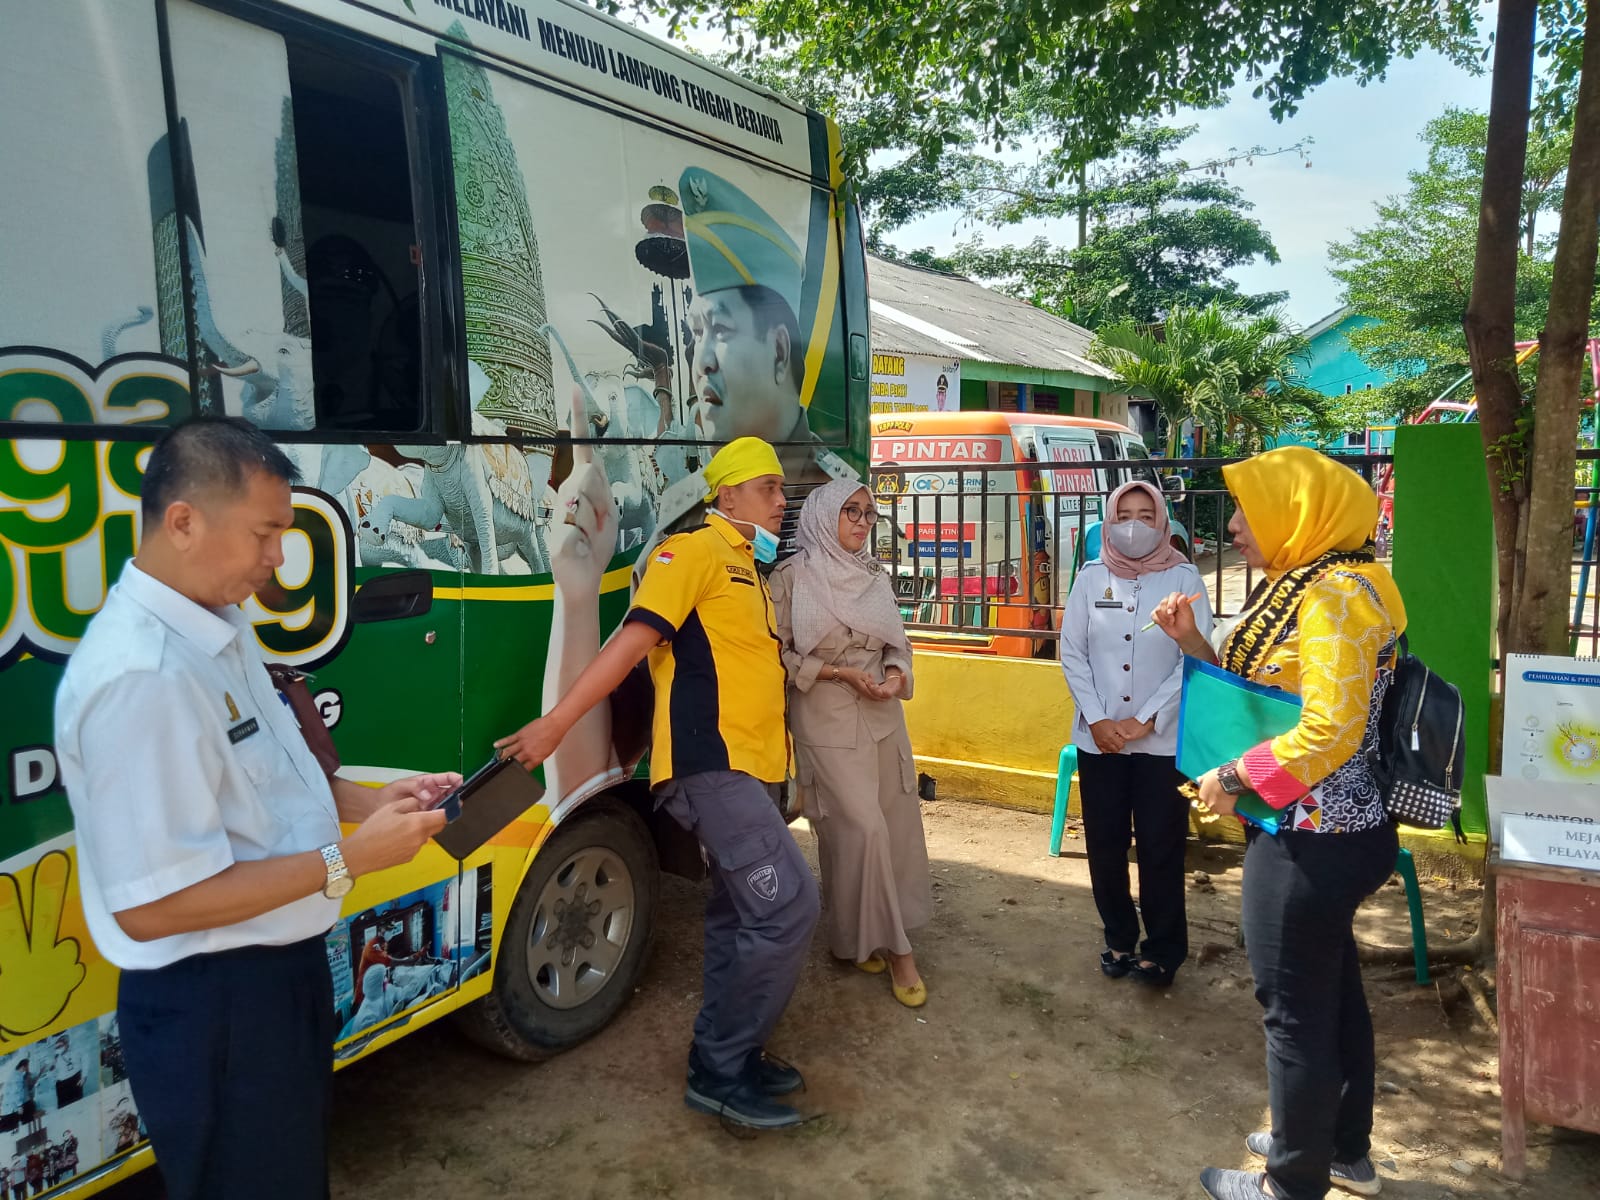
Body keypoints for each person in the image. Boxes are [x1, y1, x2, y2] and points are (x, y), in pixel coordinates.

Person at [54, 416, 459, 1200]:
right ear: (183, 522)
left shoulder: (218, 623)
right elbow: (155, 906)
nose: (279, 559)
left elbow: (270, 781)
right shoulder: (142, 678)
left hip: (275, 980)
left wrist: (374, 801)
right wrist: (351, 859)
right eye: (266, 534)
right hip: (215, 1002)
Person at [497, 437, 821, 1131]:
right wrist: (557, 724)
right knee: (788, 906)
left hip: (756, 769)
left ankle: (728, 1057)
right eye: (767, 488)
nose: (780, 501)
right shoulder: (692, 553)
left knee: (740, 916)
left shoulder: (750, 569)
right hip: (712, 768)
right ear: (726, 495)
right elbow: (631, 643)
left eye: (781, 490)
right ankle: (722, 1067)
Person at [1152, 446, 1401, 1200]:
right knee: (1334, 991)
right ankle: (1340, 1147)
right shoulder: (1334, 582)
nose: (1233, 526)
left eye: (1249, 512)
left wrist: (1232, 778)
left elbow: (1328, 731)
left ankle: (1291, 1181)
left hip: (1312, 835)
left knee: (1292, 1008)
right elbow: (1273, 696)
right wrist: (1195, 647)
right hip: (1335, 829)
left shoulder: (1334, 596)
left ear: (1299, 516)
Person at [768, 480, 931, 1006]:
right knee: (861, 831)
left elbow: (897, 645)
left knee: (892, 827)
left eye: (868, 514)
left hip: (882, 717)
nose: (862, 522)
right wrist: (838, 672)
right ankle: (900, 954)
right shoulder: (792, 578)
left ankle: (854, 940)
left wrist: (895, 674)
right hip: (825, 719)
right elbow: (780, 657)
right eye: (851, 512)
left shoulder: (872, 574)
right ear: (821, 517)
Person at [1060, 480, 1211, 988]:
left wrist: (1145, 718)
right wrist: (1099, 720)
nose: (1133, 525)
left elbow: (1195, 658)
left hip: (1162, 743)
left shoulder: (1187, 579)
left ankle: (1163, 948)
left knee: (1160, 846)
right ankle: (1118, 937)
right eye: (1123, 513)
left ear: (1165, 521)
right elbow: (1073, 653)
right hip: (1098, 740)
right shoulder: (1090, 577)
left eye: (1147, 515)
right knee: (1104, 843)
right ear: (1106, 519)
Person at [51, 1036, 83, 1109]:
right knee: (63, 1107)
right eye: (57, 1047)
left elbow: (79, 1064)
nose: (58, 1048)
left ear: (66, 1044)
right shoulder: (57, 1058)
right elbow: (52, 1072)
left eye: (60, 1046)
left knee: (77, 1103)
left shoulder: (73, 1052)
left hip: (74, 1079)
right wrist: (54, 1062)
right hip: (62, 1084)